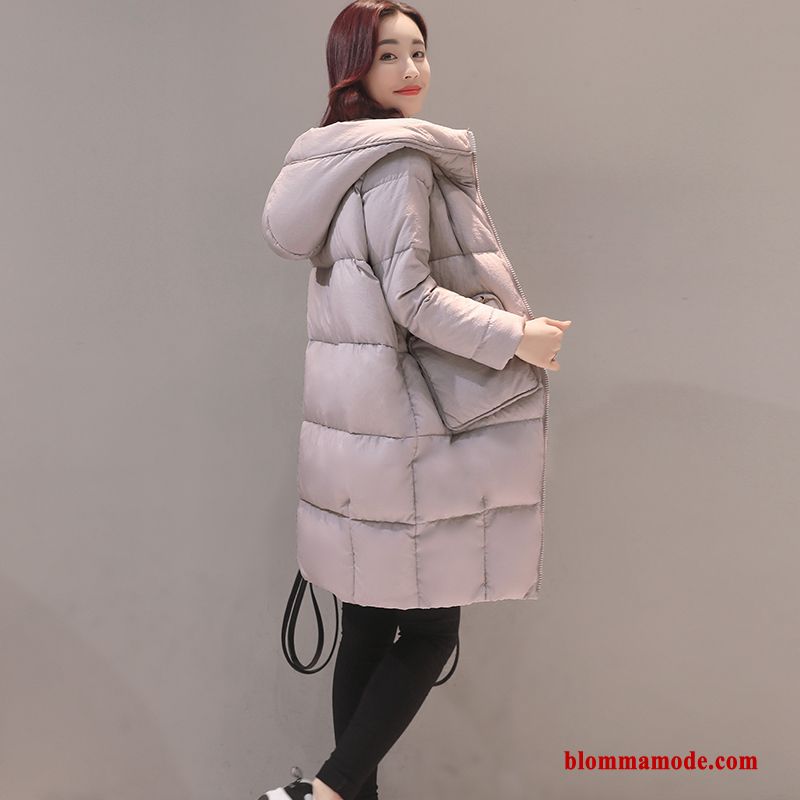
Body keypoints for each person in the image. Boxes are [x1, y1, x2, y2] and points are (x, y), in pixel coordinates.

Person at [259, 2, 571, 798]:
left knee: (369, 620)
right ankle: (325, 793)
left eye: (419, 52)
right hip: (404, 432)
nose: (411, 69)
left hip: (353, 434)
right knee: (430, 630)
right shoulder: (401, 160)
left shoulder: (331, 164)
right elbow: (412, 297)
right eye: (389, 54)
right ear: (353, 66)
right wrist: (518, 337)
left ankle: (342, 796)